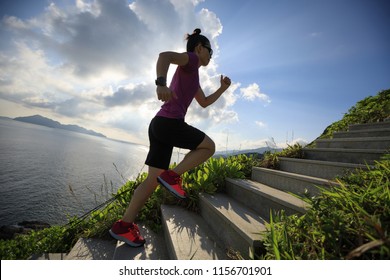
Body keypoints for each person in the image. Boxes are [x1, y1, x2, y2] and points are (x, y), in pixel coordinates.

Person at [109, 28, 231, 247]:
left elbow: (203, 102)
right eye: (210, 51)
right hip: (170, 123)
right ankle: (173, 176)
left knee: (152, 181)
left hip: (159, 125)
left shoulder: (193, 75)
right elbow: (164, 56)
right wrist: (160, 83)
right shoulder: (192, 60)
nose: (211, 56)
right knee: (209, 147)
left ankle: (124, 226)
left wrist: (222, 89)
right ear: (199, 48)